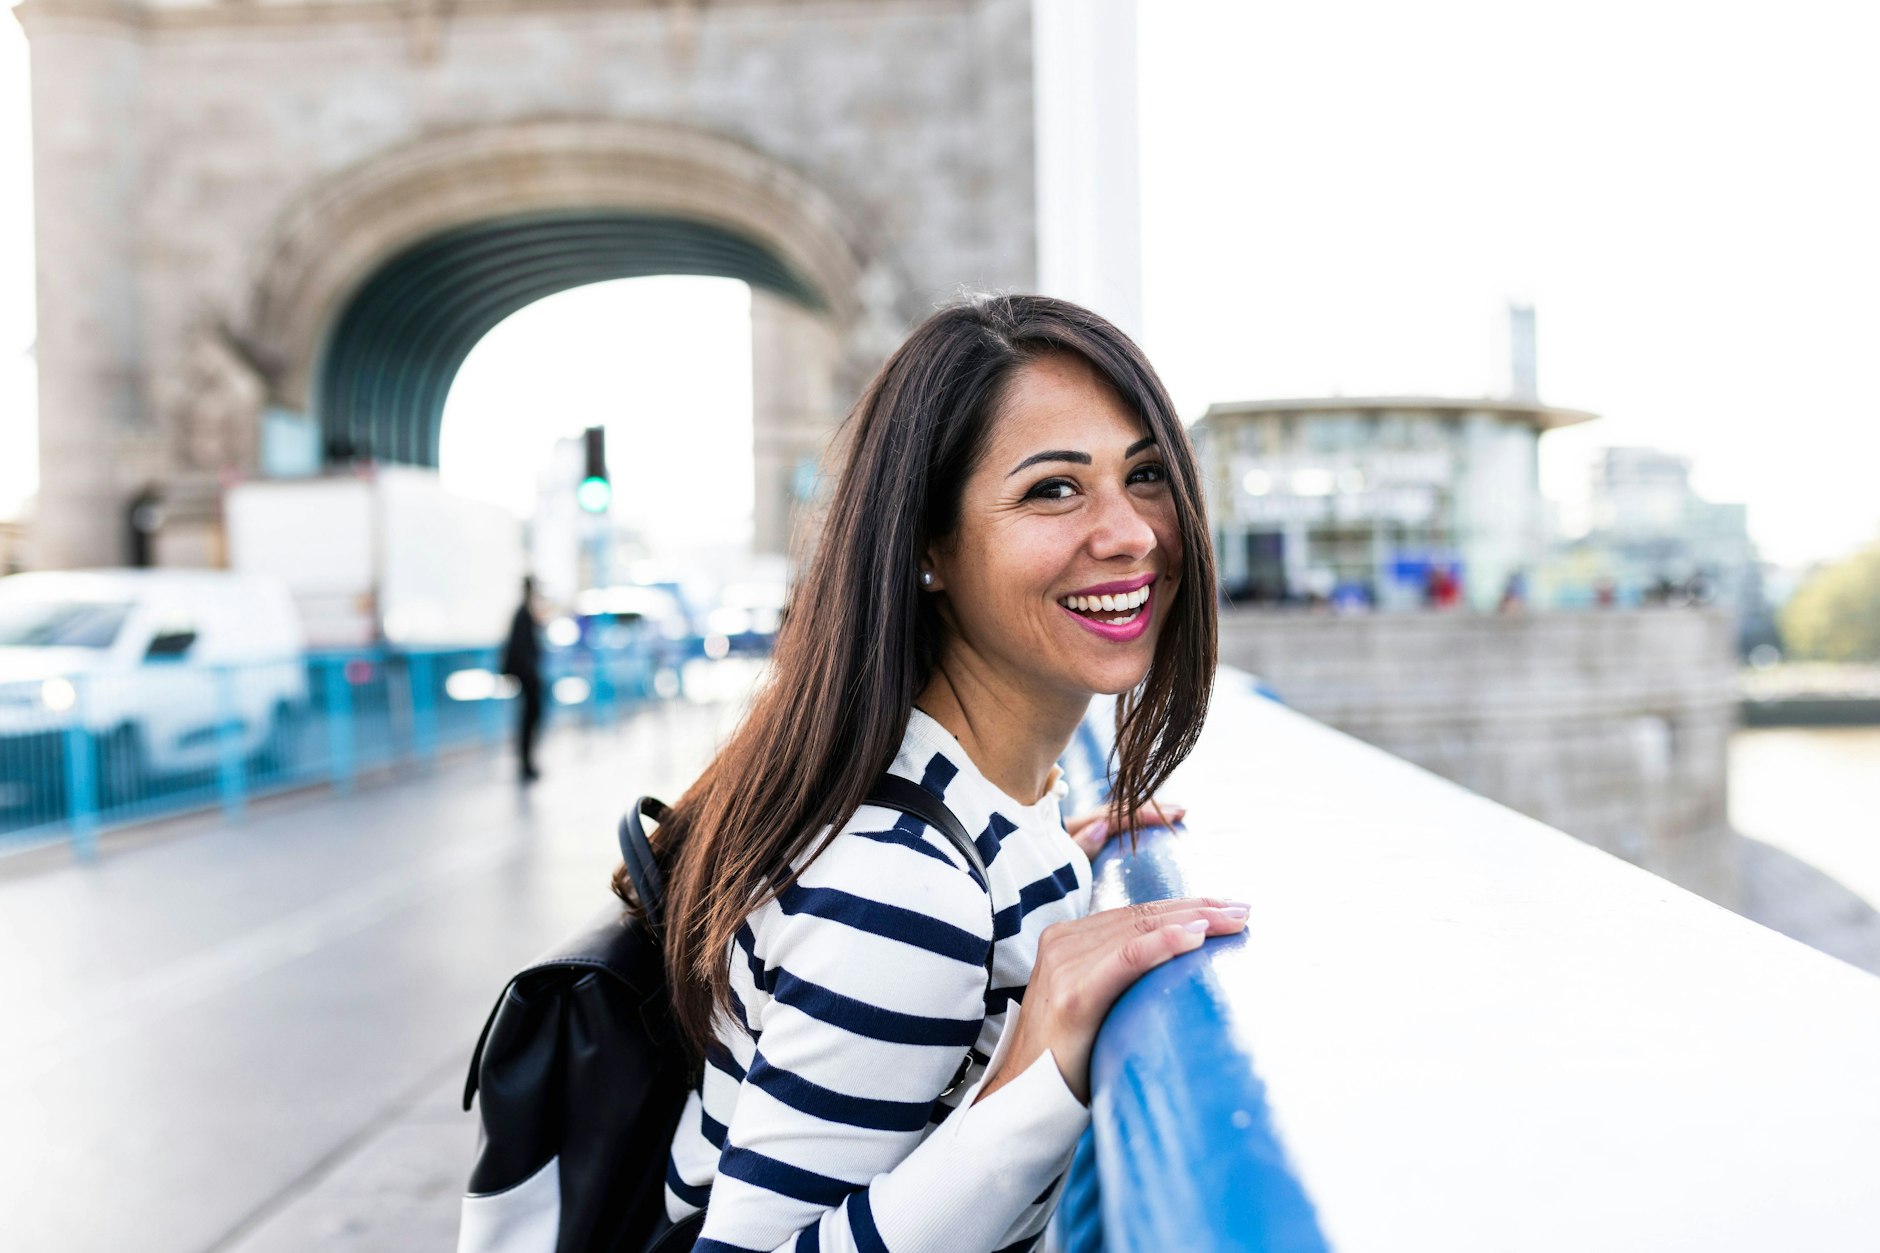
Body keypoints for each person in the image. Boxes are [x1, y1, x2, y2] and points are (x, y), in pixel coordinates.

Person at [630, 295, 1246, 1252]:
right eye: (1054, 490)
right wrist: (1031, 1087)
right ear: (928, 546)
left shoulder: (969, 815)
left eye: (1148, 474)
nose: (1132, 533)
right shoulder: (902, 884)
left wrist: (1048, 854)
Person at [499, 576, 544, 783]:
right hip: (527, 676)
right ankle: (525, 764)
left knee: (529, 718)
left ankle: (527, 763)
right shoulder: (523, 614)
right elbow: (521, 649)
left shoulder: (524, 613)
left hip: (527, 675)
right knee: (528, 719)